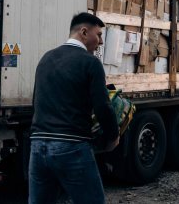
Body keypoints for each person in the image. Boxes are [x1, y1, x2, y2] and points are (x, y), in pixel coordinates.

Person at [28, 12, 119, 204]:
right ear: (84, 32)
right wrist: (113, 136)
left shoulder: (46, 58)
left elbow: (36, 102)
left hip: (38, 146)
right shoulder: (90, 62)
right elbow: (103, 106)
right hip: (71, 146)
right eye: (99, 34)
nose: (101, 42)